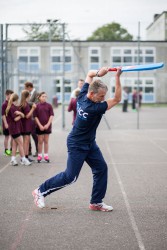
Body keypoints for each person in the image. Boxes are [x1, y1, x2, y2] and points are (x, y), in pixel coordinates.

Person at [32, 67, 122, 211]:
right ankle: (40, 191)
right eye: (101, 96)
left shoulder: (82, 95)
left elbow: (89, 74)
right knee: (70, 177)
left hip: (89, 143)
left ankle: (96, 202)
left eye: (104, 96)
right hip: (77, 144)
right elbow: (117, 99)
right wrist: (117, 77)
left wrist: (99, 72)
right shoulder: (92, 108)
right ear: (92, 94)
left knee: (100, 168)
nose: (103, 99)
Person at [5, 93, 31, 166]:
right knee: (20, 143)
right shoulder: (12, 108)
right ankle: (23, 159)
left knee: (15, 145)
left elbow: (23, 115)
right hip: (14, 129)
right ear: (16, 100)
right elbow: (16, 119)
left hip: (16, 128)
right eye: (18, 100)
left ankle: (13, 159)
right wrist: (20, 115)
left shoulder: (15, 107)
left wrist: (20, 113)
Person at [33, 92, 54, 163]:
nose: (44, 98)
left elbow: (51, 115)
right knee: (40, 141)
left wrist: (48, 124)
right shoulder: (36, 106)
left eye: (45, 96)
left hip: (47, 126)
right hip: (40, 126)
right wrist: (40, 125)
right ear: (39, 97)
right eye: (43, 96)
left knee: (46, 141)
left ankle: (46, 155)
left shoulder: (49, 106)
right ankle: (39, 155)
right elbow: (35, 117)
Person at [20, 90, 36, 162]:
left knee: (26, 141)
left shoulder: (24, 103)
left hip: (26, 125)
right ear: (27, 96)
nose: (30, 97)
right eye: (29, 95)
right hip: (25, 125)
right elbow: (27, 116)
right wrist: (33, 108)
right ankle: (23, 157)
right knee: (25, 141)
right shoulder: (25, 105)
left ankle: (26, 156)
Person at [24, 81, 39, 157]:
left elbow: (36, 104)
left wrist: (27, 102)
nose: (26, 89)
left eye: (26, 88)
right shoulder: (27, 94)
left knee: (34, 134)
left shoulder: (36, 93)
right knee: (27, 134)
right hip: (28, 116)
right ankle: (29, 150)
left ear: (29, 87)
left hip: (33, 116)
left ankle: (37, 150)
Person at [1, 89, 14, 156]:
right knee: (7, 137)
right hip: (7, 123)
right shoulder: (4, 104)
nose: (12, 96)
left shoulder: (11, 103)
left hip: (12, 123)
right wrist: (5, 123)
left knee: (12, 137)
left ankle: (12, 150)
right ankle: (6, 151)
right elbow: (3, 115)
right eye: (11, 95)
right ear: (7, 95)